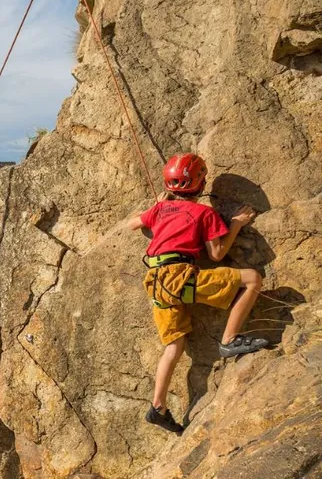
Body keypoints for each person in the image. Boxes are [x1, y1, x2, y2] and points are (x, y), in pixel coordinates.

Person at [127, 153, 268, 434]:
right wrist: (237, 224)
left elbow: (134, 224)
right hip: (182, 278)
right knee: (252, 279)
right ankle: (229, 340)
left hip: (156, 283)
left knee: (174, 346)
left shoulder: (160, 210)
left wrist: (160, 205)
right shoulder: (204, 213)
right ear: (201, 183)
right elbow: (216, 255)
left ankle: (158, 406)